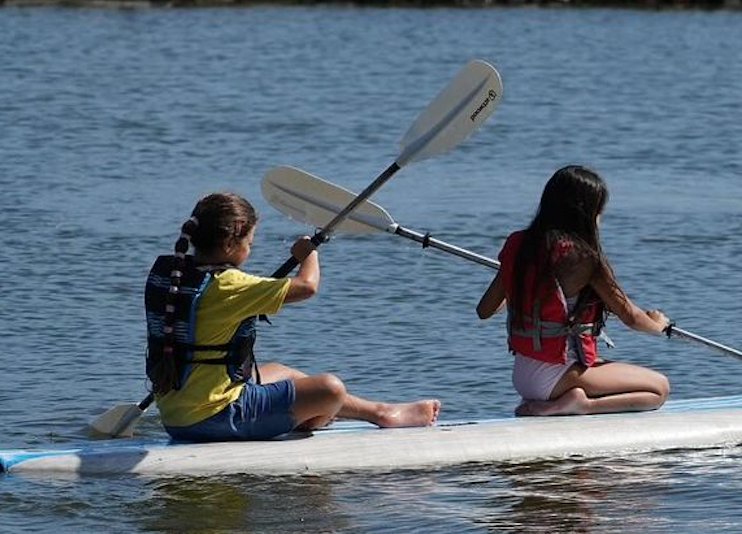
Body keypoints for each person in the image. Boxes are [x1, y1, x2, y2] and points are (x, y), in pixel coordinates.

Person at [147, 191, 440, 442]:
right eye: (249, 242)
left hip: (175, 414)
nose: (250, 248)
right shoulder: (228, 285)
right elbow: (307, 287)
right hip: (216, 420)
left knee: (282, 371)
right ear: (228, 245)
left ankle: (380, 412)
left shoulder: (167, 272)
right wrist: (307, 254)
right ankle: (320, 415)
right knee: (330, 388)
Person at [476, 165, 671, 417]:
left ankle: (558, 401)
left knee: (610, 374)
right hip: (557, 374)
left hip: (523, 375)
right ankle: (581, 405)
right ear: (585, 212)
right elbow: (631, 317)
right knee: (659, 389)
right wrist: (659, 324)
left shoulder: (518, 244)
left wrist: (514, 286)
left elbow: (484, 310)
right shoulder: (585, 258)